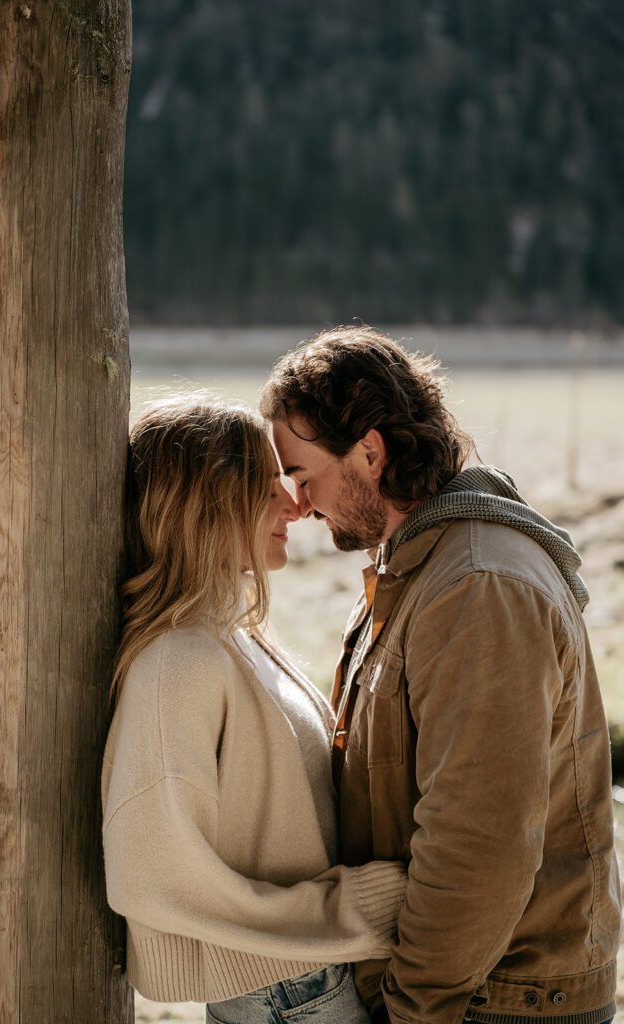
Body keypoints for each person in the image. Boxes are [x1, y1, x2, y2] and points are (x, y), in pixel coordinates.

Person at [260, 325, 621, 1024]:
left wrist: (417, 1009)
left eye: (303, 475)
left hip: (496, 1000)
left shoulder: (478, 588)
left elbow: (478, 842)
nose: (298, 504)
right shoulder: (423, 566)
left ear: (370, 450)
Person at [101, 395, 409, 1024]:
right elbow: (150, 874)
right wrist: (351, 911)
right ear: (209, 504)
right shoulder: (175, 665)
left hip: (307, 975)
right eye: (268, 484)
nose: (295, 503)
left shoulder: (227, 638)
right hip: (286, 991)